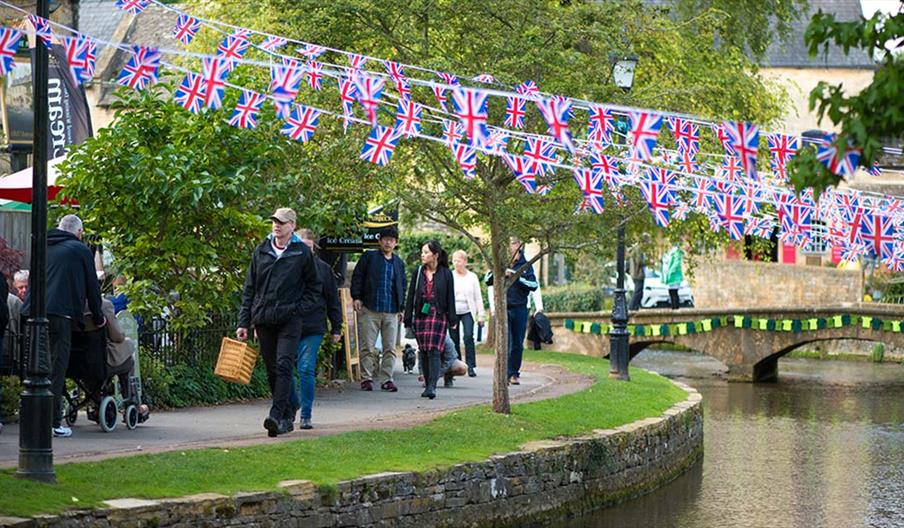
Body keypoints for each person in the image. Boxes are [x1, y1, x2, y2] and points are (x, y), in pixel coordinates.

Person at [236, 208, 322, 438]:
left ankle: (275, 414)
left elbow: (315, 288)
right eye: (274, 221)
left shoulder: (301, 253)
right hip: (264, 319)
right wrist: (244, 322)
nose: (276, 225)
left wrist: (297, 309)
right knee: (272, 368)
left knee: (284, 365)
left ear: (292, 225)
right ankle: (287, 411)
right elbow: (250, 289)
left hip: (289, 320)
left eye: (282, 222)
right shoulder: (261, 251)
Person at [23, 214, 105, 438]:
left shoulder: (42, 245)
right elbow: (92, 288)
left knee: (33, 367)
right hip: (61, 314)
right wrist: (98, 316)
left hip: (32, 312)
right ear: (79, 232)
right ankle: (52, 422)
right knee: (55, 367)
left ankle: (30, 418)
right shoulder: (80, 250)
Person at [290, 229, 342, 430]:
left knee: (305, 368)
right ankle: (294, 403)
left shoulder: (323, 269)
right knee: (285, 369)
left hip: (313, 326)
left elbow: (332, 300)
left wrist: (336, 327)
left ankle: (306, 414)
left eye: (309, 248)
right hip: (289, 325)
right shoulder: (287, 266)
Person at [350, 226, 406, 392]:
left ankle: (386, 379)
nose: (388, 242)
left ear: (395, 243)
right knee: (367, 346)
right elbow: (358, 276)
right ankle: (366, 378)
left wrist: (401, 308)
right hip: (370, 308)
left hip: (391, 310)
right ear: (380, 241)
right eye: (385, 239)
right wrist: (357, 297)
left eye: (392, 240)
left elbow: (403, 285)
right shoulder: (369, 257)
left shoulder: (398, 263)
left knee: (390, 347)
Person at [404, 240, 456, 399]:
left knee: (434, 350)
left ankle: (432, 386)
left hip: (438, 314)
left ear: (435, 255)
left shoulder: (446, 273)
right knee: (424, 350)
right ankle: (427, 385)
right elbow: (411, 295)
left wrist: (452, 319)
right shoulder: (418, 272)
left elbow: (450, 298)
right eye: (422, 252)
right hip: (421, 314)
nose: (422, 255)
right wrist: (407, 317)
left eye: (426, 252)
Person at [484, 237, 539, 386]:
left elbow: (533, 284)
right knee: (505, 342)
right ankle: (504, 374)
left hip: (521, 308)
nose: (511, 246)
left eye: (514, 243)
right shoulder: (501, 262)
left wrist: (516, 276)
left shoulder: (526, 264)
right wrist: (502, 272)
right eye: (509, 243)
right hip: (504, 308)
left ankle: (514, 373)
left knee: (517, 344)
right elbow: (487, 279)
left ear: (519, 245)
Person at [449, 249, 485, 378]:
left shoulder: (472, 277)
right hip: (453, 311)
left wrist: (481, 315)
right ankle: (458, 365)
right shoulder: (450, 275)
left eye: (458, 261)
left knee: (468, 337)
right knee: (454, 339)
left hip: (467, 311)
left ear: (464, 261)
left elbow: (478, 297)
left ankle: (470, 366)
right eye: (454, 261)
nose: (456, 263)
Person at [662, 245, 685, 310]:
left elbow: (676, 263)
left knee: (674, 292)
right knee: (671, 292)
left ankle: (675, 308)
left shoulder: (676, 251)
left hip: (674, 276)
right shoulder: (669, 252)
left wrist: (671, 271)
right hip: (669, 276)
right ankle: (673, 308)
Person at [628, 244, 646, 311]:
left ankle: (635, 307)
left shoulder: (634, 249)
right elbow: (639, 261)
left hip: (634, 273)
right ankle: (632, 307)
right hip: (638, 273)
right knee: (638, 291)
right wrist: (645, 262)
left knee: (639, 291)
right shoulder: (638, 249)